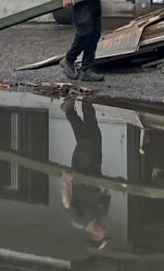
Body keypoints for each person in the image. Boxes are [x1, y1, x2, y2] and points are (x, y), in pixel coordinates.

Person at [60, 97, 110, 250]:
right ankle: (82, 104)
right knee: (94, 136)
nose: (106, 231)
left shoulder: (79, 221)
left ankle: (74, 109)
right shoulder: (101, 214)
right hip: (95, 170)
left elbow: (67, 202)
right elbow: (107, 192)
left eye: (105, 235)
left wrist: (66, 181)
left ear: (95, 235)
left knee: (86, 142)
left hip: (81, 173)